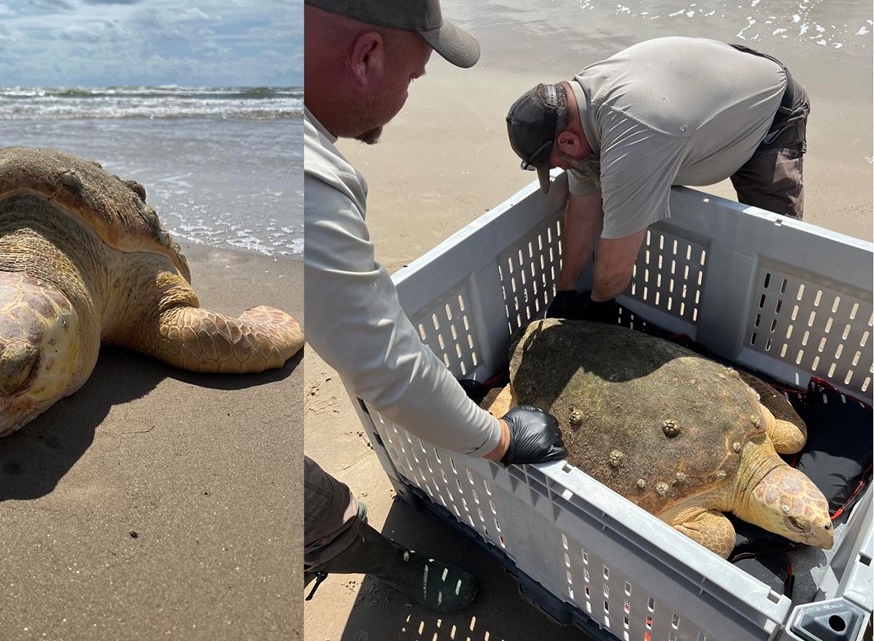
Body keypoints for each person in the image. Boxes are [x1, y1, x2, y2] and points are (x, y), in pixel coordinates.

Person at [303, 0, 568, 613]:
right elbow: (386, 366)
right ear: (367, 56)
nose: (408, 94)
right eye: (414, 76)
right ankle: (362, 549)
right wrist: (496, 438)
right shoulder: (308, 178)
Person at [505, 37, 810, 322]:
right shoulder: (577, 109)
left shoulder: (633, 136)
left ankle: (765, 330)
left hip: (768, 110)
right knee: (632, 174)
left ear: (569, 142)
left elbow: (616, 267)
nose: (562, 169)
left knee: (774, 247)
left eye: (555, 164)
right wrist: (565, 291)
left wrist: (598, 304)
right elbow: (583, 210)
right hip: (693, 100)